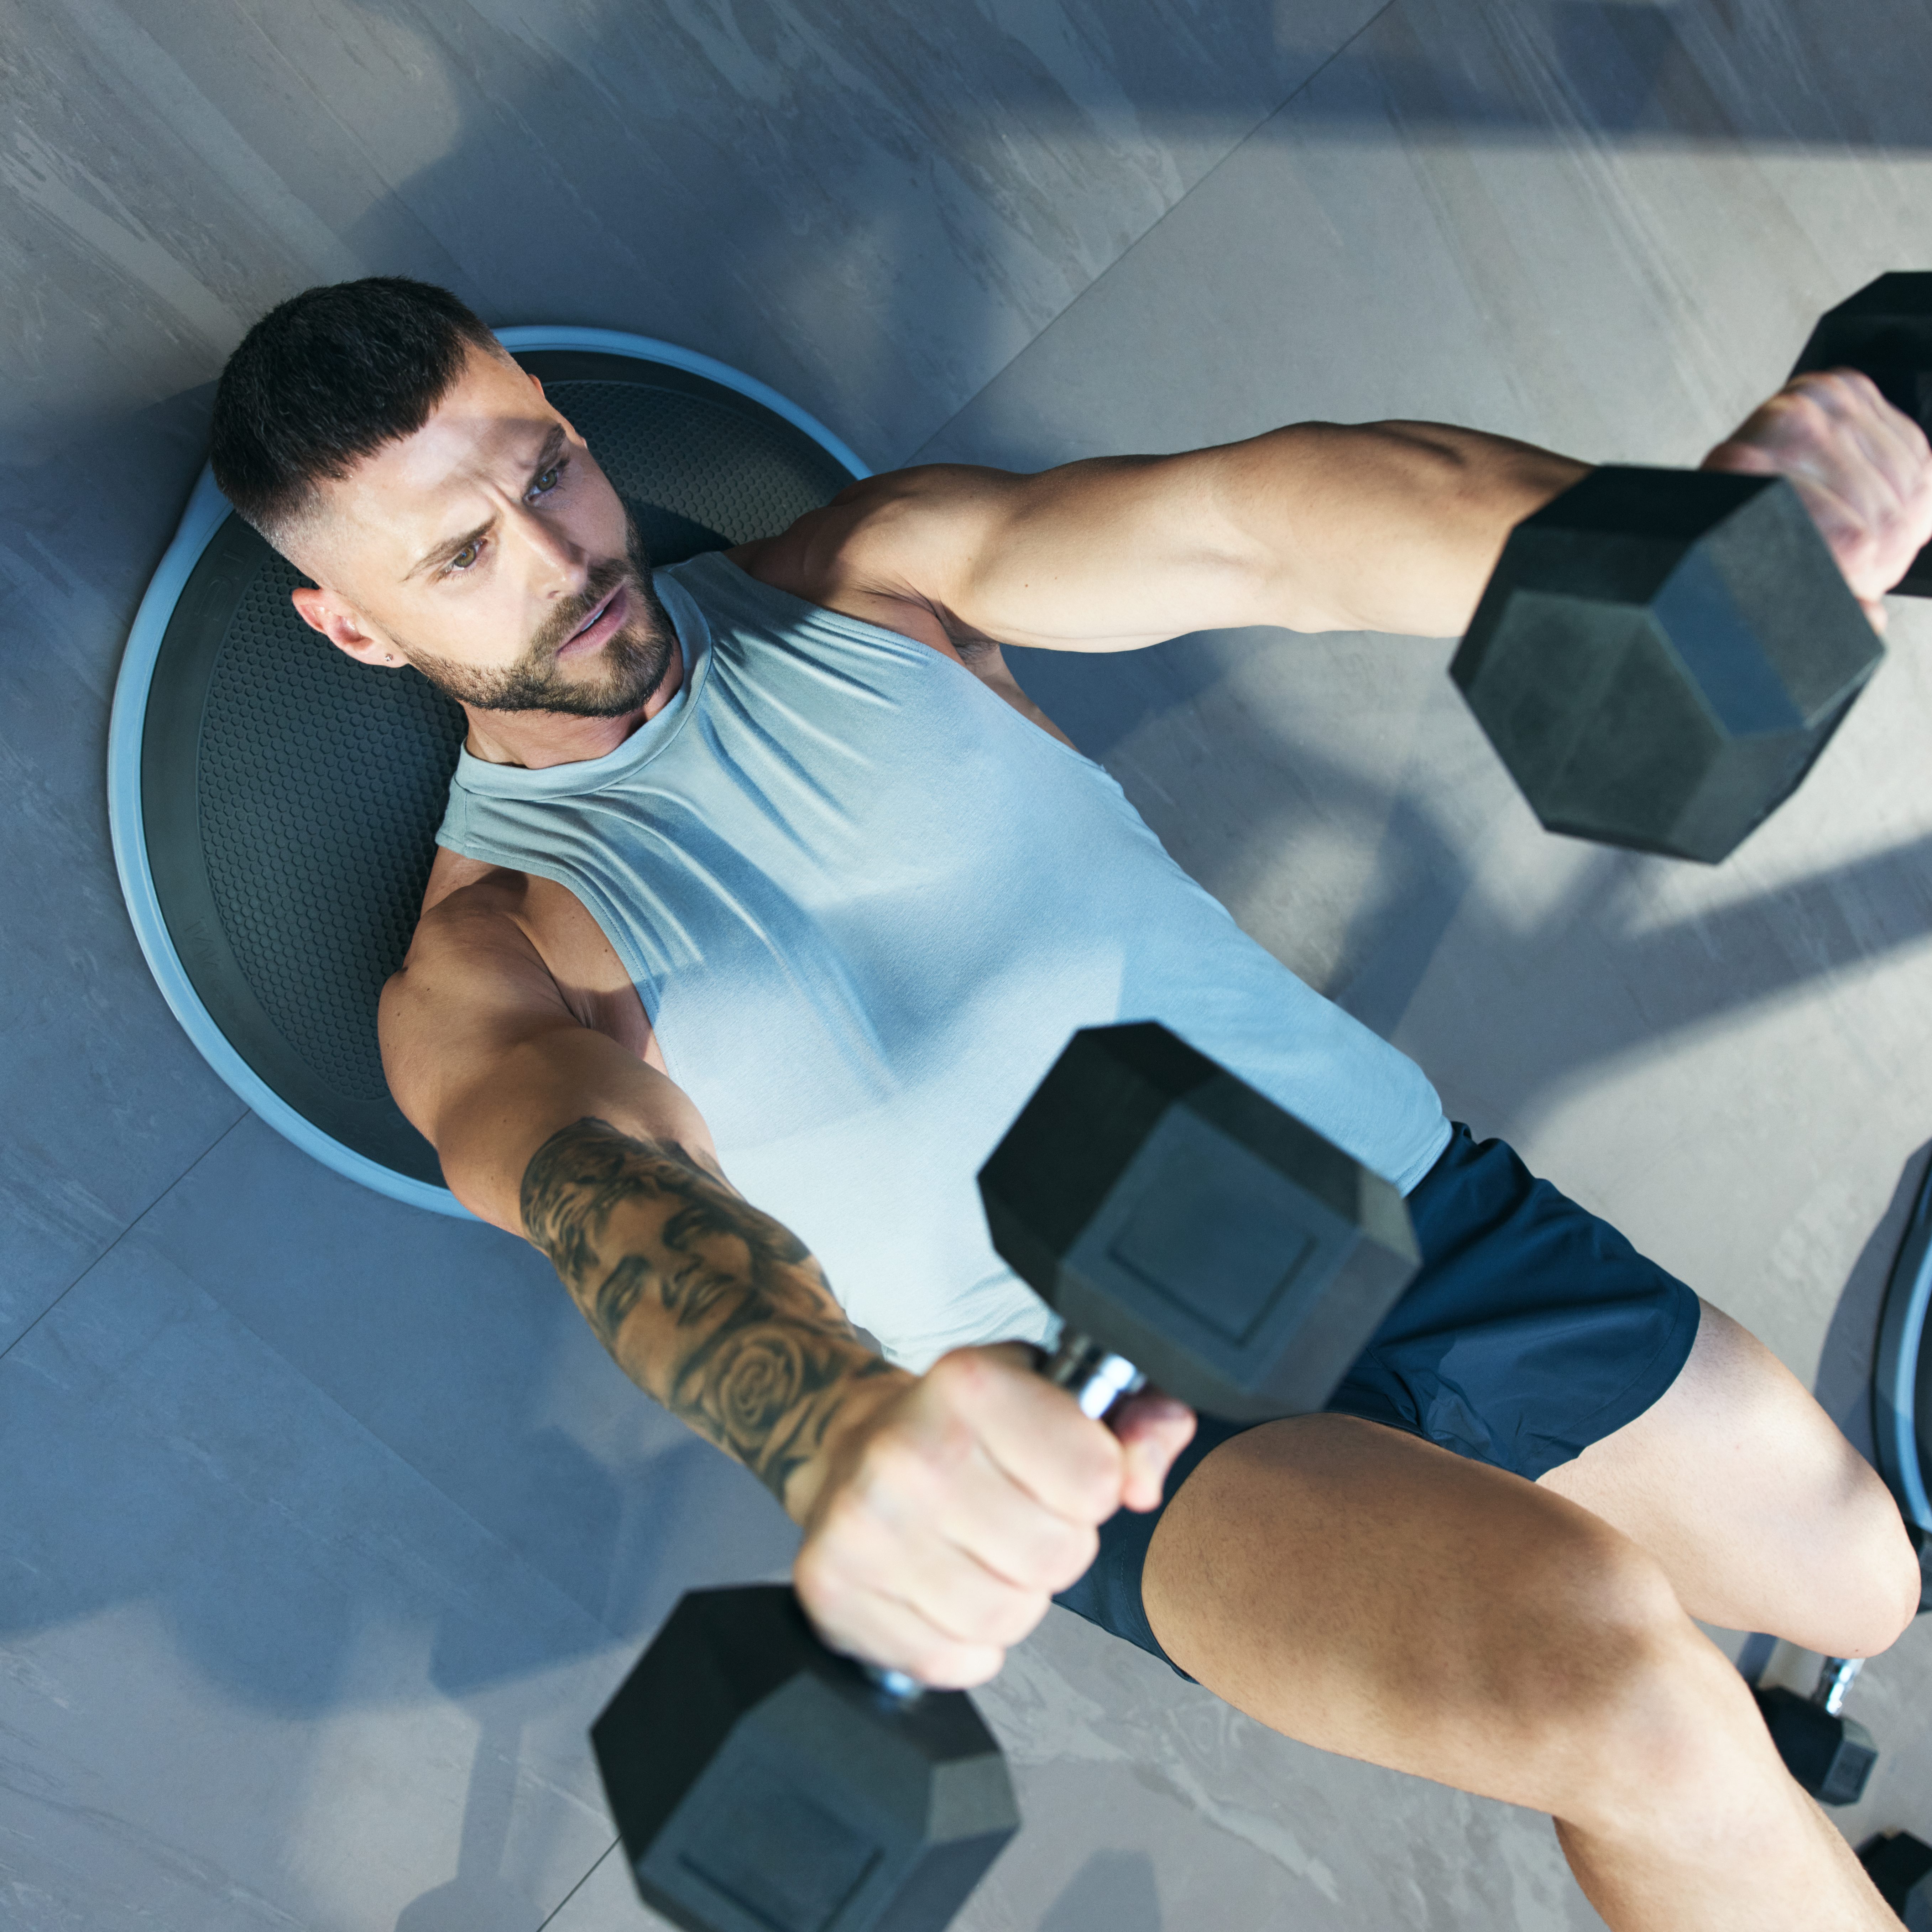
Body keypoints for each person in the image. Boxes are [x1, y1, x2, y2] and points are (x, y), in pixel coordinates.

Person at [211, 276, 1930, 1930]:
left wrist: (1653, 548)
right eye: (460, 557)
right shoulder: (490, 956)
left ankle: (1740, 1828)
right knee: (1632, 1704)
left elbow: (1270, 528)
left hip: (1414, 1213)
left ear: (570, 428)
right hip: (1137, 1436)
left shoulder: (870, 579)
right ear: (355, 626)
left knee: (1863, 1584)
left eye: (547, 475)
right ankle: (1705, 1798)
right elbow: (604, 1184)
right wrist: (831, 1423)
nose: (561, 559)